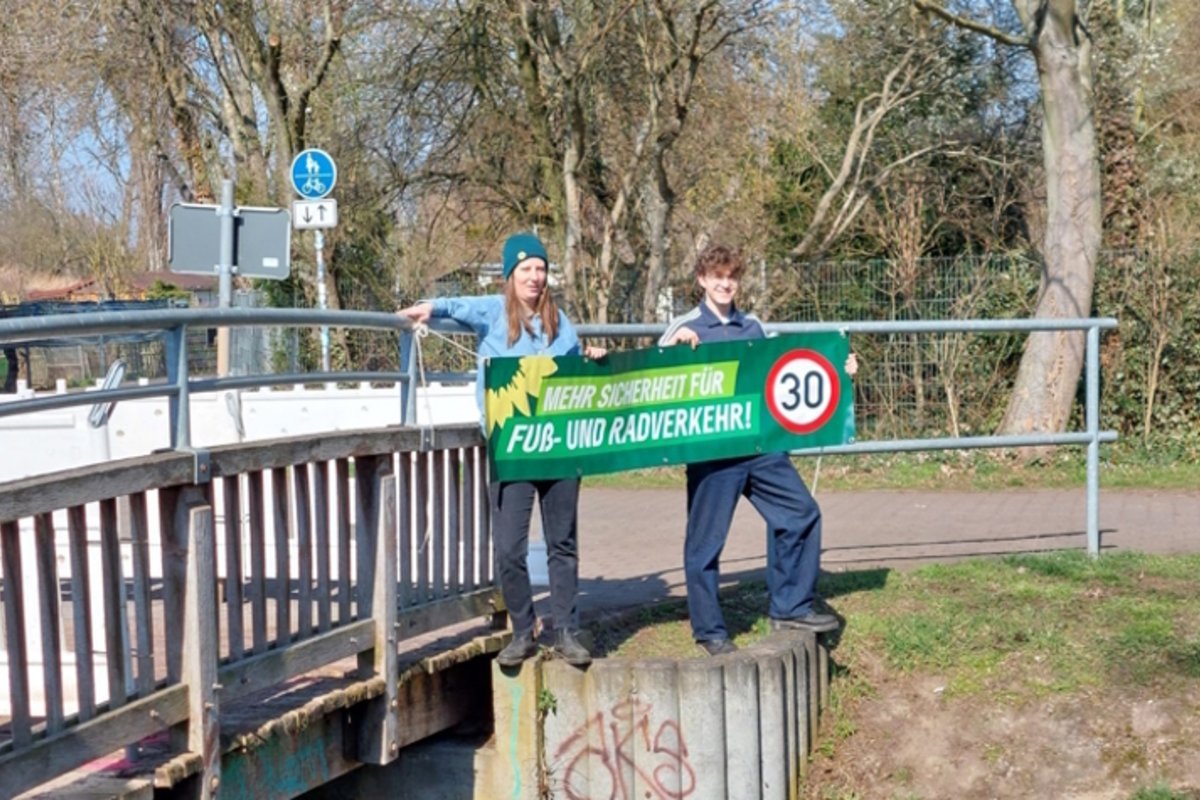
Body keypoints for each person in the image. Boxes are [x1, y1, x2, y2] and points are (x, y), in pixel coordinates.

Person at [397, 232, 605, 668]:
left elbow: (574, 373)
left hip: (559, 445)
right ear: (510, 275)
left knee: (562, 543)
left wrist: (592, 356)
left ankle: (567, 631)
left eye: (541, 269)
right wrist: (429, 308)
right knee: (509, 546)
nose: (534, 276)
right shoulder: (493, 313)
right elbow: (455, 305)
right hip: (512, 447)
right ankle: (523, 629)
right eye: (526, 269)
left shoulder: (560, 321)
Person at [659, 243, 856, 656]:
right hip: (713, 454)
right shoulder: (685, 325)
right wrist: (674, 349)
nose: (725, 284)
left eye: (731, 277)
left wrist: (839, 368)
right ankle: (710, 631)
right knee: (705, 544)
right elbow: (657, 380)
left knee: (801, 513)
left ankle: (791, 605)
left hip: (759, 449)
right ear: (702, 280)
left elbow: (786, 373)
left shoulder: (754, 328)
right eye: (717, 277)